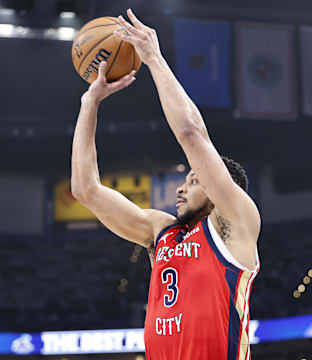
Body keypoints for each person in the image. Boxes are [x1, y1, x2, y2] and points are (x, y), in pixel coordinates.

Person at [71, 8, 260, 360]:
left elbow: (191, 135)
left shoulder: (236, 223)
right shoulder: (162, 233)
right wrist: (89, 103)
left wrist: (153, 58)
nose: (181, 188)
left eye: (193, 180)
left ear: (222, 188)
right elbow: (86, 190)